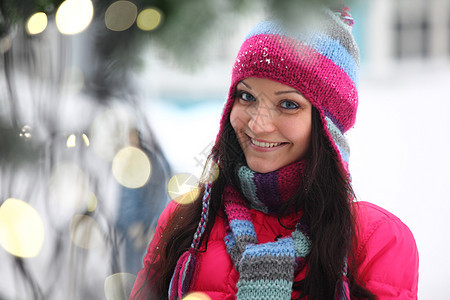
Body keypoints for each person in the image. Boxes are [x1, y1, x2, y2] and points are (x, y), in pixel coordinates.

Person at [130, 6, 419, 300]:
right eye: (247, 96)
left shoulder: (376, 239)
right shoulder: (188, 220)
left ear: (327, 126)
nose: (258, 124)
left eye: (288, 104)